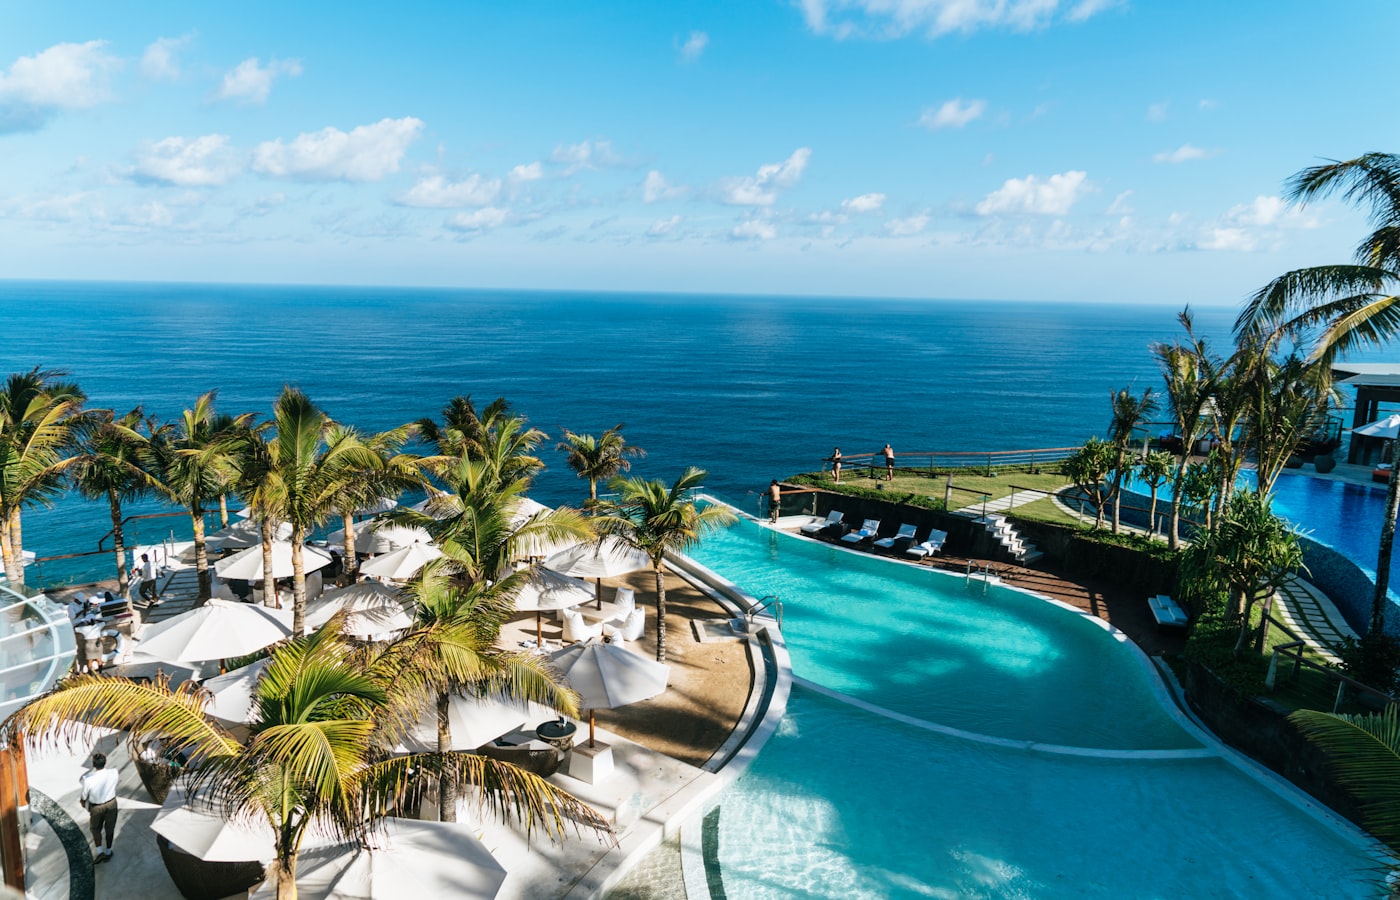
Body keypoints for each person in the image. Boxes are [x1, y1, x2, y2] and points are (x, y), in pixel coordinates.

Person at [79, 751, 119, 863]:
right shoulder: (114, 773)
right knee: (110, 828)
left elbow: (84, 796)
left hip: (97, 807)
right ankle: (108, 851)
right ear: (105, 762)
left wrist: (83, 804)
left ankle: (100, 852)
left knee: (95, 829)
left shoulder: (88, 779)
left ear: (93, 764)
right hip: (112, 803)